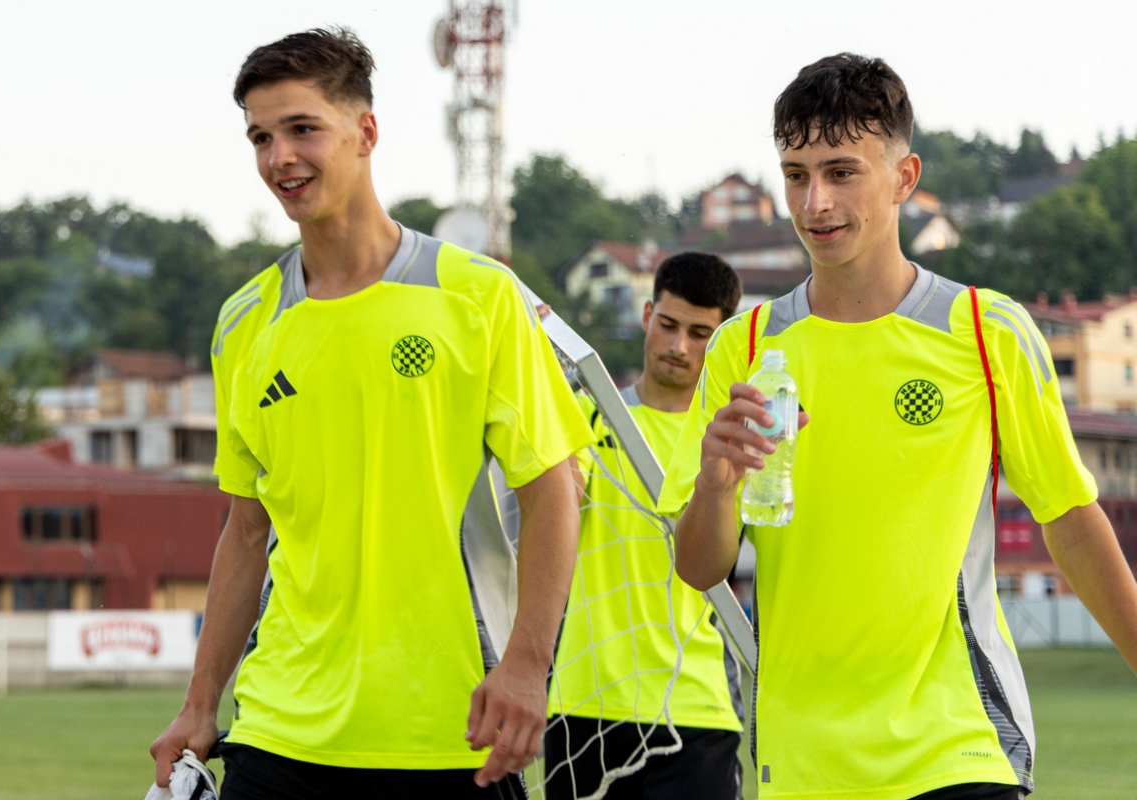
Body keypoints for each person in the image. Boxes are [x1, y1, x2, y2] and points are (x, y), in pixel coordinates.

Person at [662, 53, 1137, 800]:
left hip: (957, 746)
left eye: (841, 171)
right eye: (795, 174)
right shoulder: (744, 350)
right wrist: (717, 486)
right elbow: (698, 568)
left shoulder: (987, 332)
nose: (814, 201)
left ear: (905, 178)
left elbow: (1070, 519)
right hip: (804, 759)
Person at [149, 28, 593, 799]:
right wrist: (199, 705)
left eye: (301, 129)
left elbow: (553, 486)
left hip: (452, 734)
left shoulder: (477, 294)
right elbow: (246, 530)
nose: (278, 157)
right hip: (278, 733)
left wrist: (525, 664)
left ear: (366, 132)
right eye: (260, 136)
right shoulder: (243, 323)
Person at [546, 252, 745, 799]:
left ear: (722, 337)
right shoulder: (588, 415)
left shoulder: (728, 444)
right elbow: (557, 508)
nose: (679, 346)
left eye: (700, 333)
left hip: (697, 710)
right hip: (585, 705)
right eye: (669, 325)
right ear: (645, 315)